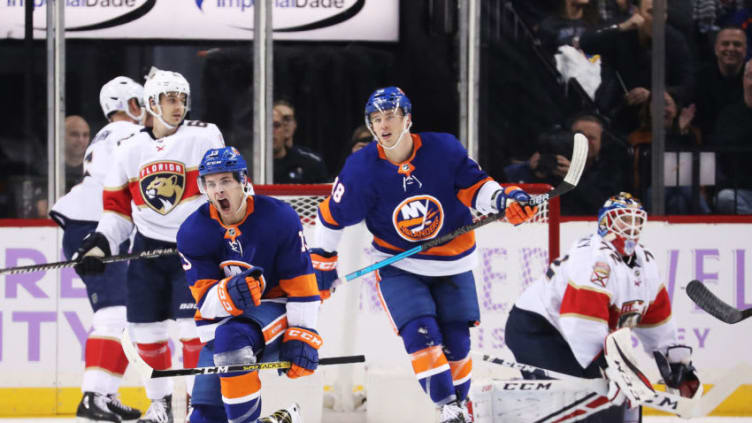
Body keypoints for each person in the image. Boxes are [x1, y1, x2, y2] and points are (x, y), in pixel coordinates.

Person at [310, 86, 538, 423]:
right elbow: (331, 215)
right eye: (376, 118)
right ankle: (447, 407)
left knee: (457, 343)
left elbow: (477, 187)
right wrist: (323, 260)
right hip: (399, 264)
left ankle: (460, 408)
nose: (383, 124)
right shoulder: (361, 169)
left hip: (454, 261)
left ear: (408, 118)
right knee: (420, 332)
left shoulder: (443, 149)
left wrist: (503, 201)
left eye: (390, 116)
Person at [73, 69, 226, 423]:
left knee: (194, 332)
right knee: (144, 332)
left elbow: (227, 188)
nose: (179, 106)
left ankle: (196, 405)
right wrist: (100, 244)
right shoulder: (129, 149)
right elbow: (117, 212)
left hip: (194, 249)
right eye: (171, 99)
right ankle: (161, 406)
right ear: (152, 104)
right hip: (148, 251)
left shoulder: (204, 136)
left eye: (183, 99)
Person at [505, 192, 701, 423]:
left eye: (636, 220)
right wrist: (605, 369)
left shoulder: (645, 263)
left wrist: (676, 363)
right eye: (624, 219)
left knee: (626, 398)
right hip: (537, 329)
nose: (631, 226)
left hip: (574, 336)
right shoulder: (593, 259)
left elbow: (656, 320)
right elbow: (581, 323)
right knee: (579, 400)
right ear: (606, 221)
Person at [176, 146, 320, 423]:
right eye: (211, 183)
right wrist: (227, 294)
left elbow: (302, 285)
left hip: (274, 310)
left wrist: (302, 333)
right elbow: (205, 301)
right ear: (203, 188)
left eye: (226, 181)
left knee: (233, 340)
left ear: (243, 181)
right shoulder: (193, 231)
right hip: (223, 323)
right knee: (204, 416)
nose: (219, 190)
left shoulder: (279, 217)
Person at [49, 76, 146, 423]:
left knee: (125, 316)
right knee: (114, 313)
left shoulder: (110, 135)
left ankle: (105, 394)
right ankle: (93, 397)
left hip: (93, 226)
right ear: (132, 104)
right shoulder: (129, 134)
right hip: (96, 230)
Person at [579, 0, 695, 133]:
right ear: (636, 13)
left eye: (662, 13)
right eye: (651, 12)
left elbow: (688, 83)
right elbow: (586, 43)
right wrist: (622, 27)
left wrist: (654, 95)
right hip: (618, 110)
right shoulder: (622, 30)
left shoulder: (674, 40)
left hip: (657, 116)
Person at [505, 113, 627, 215]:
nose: (585, 142)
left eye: (592, 138)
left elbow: (606, 206)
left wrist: (574, 178)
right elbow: (509, 186)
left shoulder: (610, 169)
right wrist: (530, 170)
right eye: (580, 136)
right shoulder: (554, 161)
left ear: (602, 141)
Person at [710, 59, 752, 213]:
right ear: (744, 80)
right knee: (725, 198)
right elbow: (725, 150)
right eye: (751, 76)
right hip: (741, 190)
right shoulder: (729, 115)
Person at [694, 26, 747, 141]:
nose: (731, 48)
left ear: (745, 51)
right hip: (709, 147)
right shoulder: (700, 78)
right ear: (716, 49)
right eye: (725, 44)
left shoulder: (750, 77)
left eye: (737, 44)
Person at [272, 101, 329, 183]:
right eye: (270, 124)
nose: (272, 130)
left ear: (295, 124)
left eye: (287, 119)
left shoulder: (311, 163)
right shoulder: (250, 164)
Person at [65, 115, 91, 192]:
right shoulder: (49, 169)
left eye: (85, 135)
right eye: (74, 134)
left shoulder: (95, 169)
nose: (81, 140)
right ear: (61, 135)